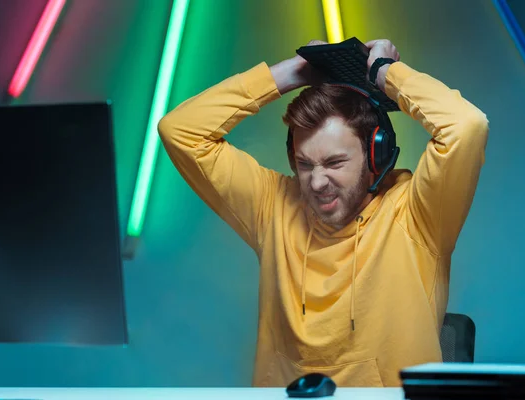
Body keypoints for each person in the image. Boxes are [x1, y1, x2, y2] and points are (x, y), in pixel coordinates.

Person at [157, 38, 488, 387]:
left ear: (376, 156)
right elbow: (180, 131)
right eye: (304, 164)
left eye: (334, 163)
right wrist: (292, 73)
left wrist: (386, 73)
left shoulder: (417, 212)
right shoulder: (273, 206)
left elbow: (466, 127)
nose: (316, 182)